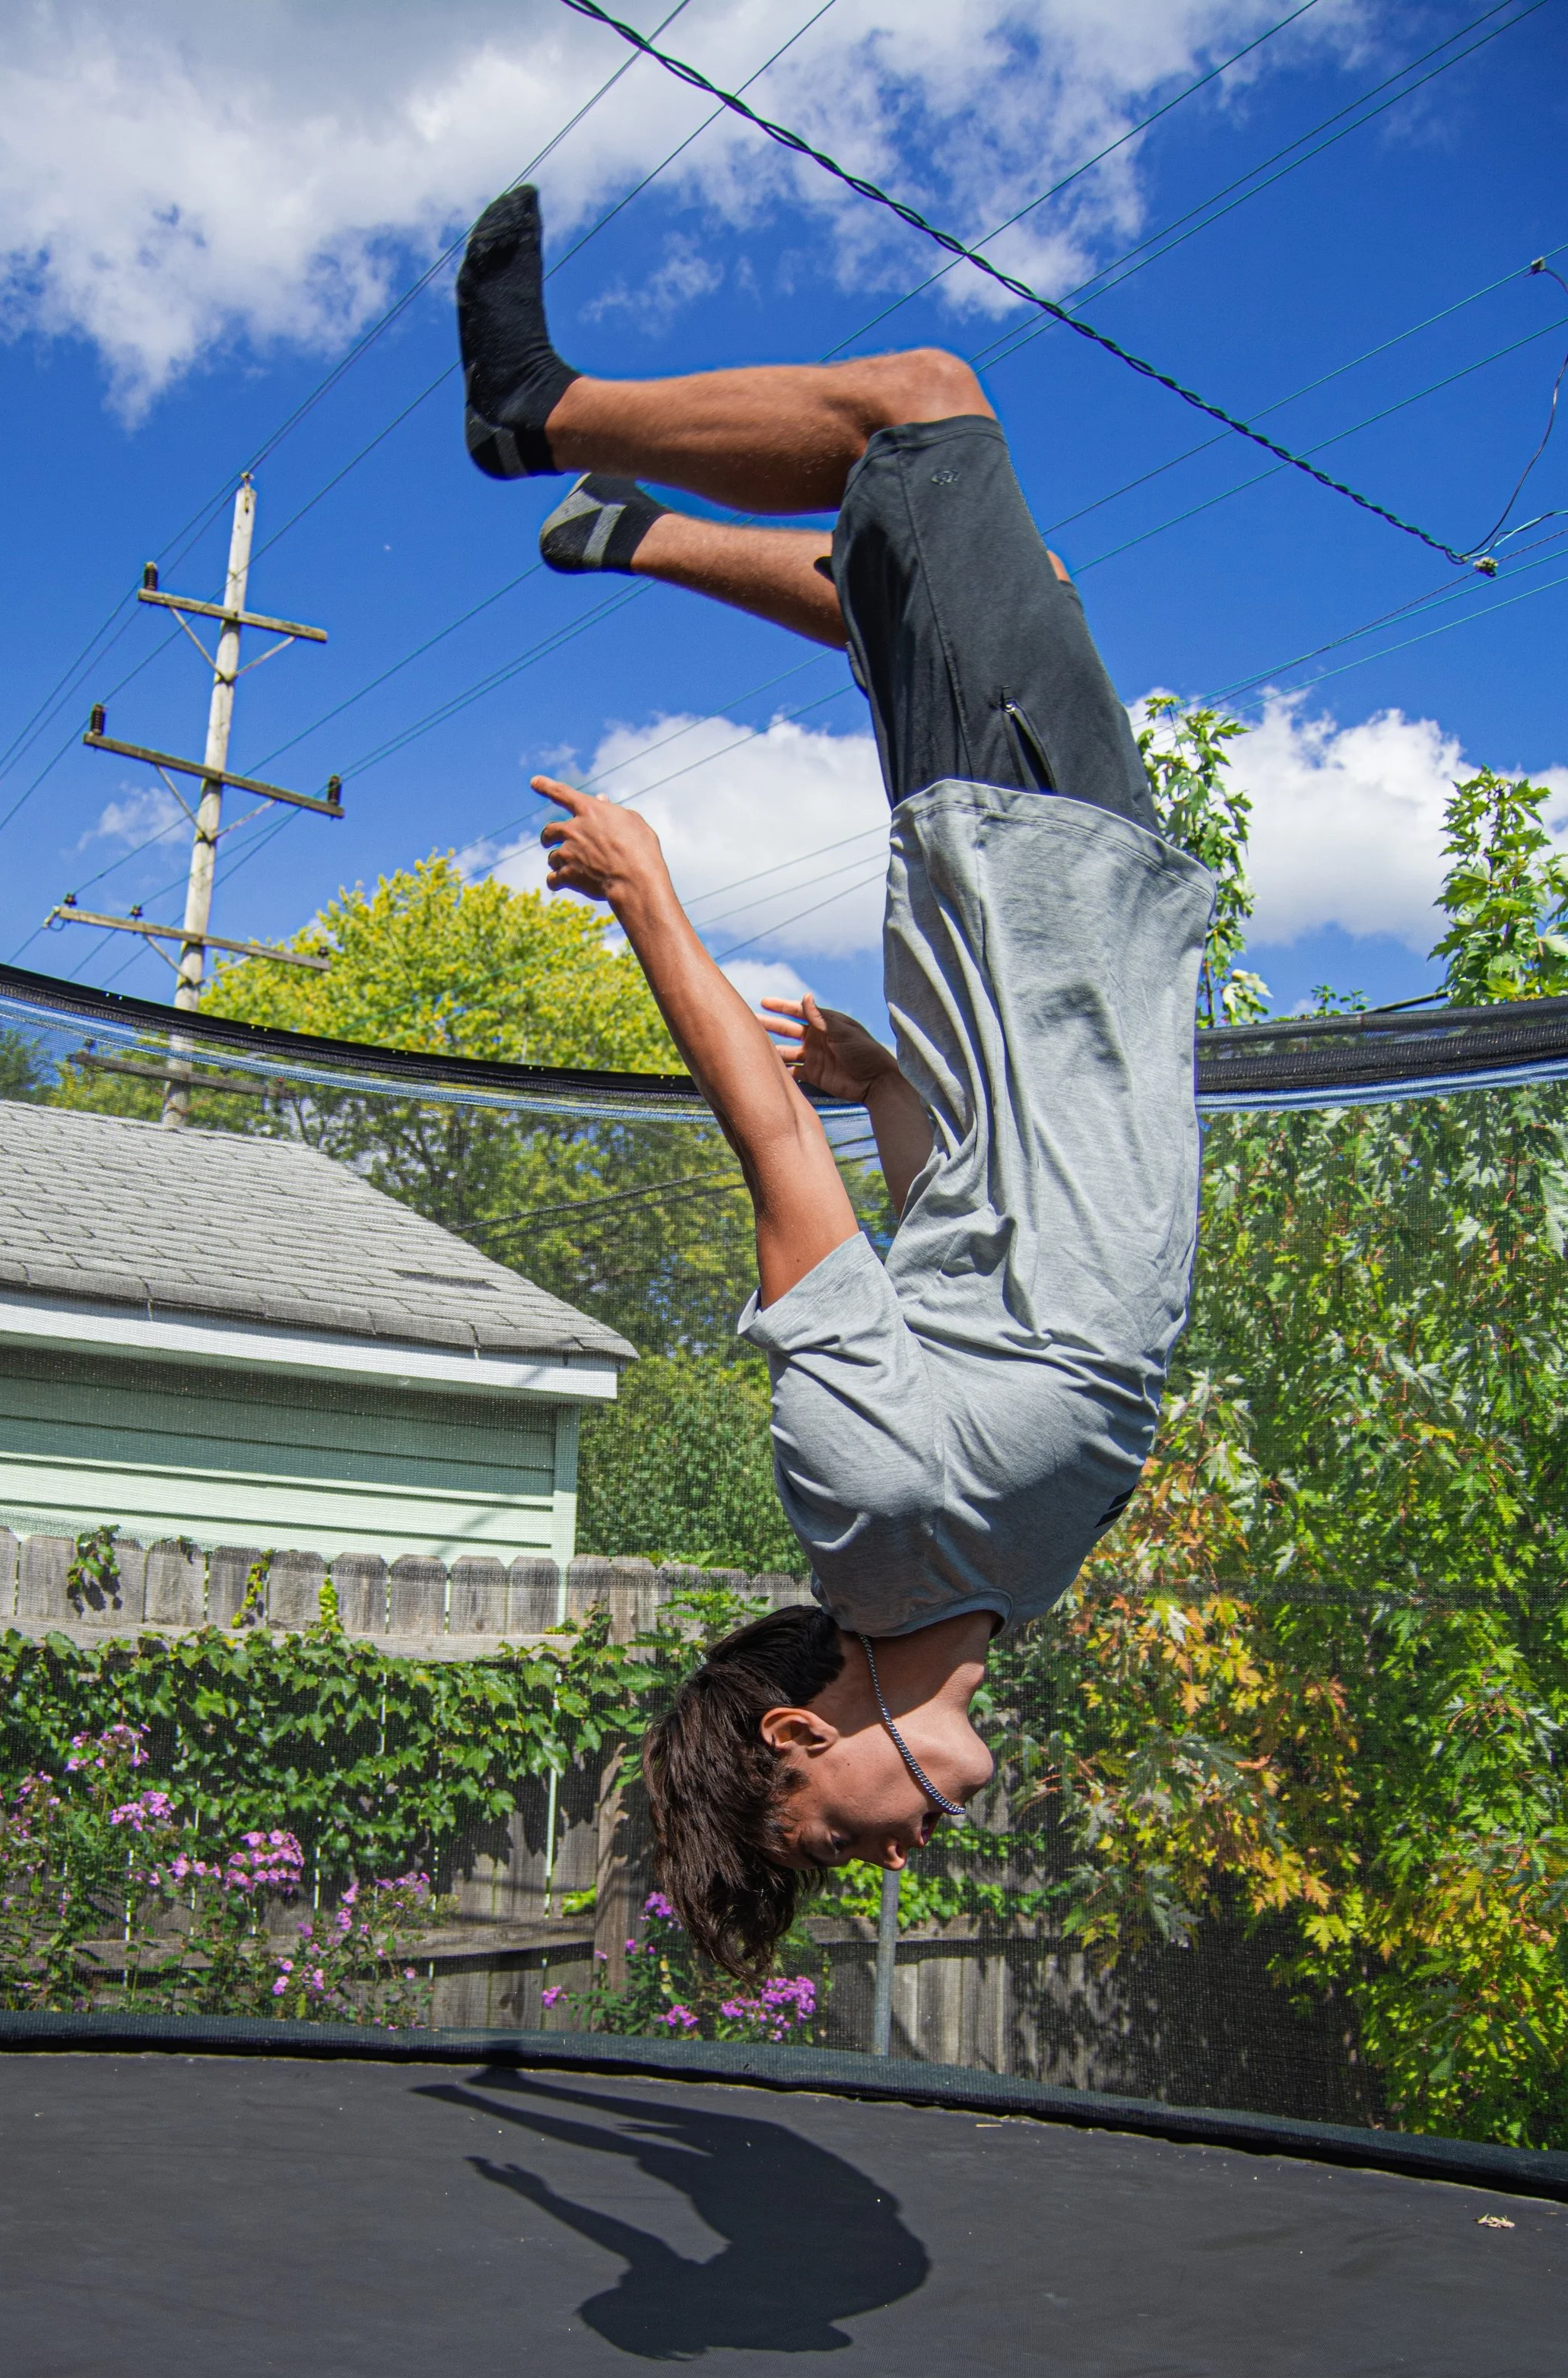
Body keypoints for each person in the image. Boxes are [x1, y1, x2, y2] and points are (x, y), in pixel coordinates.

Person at [458, 186, 1216, 1974]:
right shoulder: (1006, 1585)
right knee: (948, 594)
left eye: (832, 1842)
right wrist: (890, 1092)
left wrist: (647, 901)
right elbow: (980, 1246)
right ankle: (622, 528)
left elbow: (773, 1157)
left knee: (916, 412)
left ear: (797, 1738)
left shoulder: (866, 1507)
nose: (895, 1859)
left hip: (1033, 898)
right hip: (1085, 928)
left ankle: (536, 415)